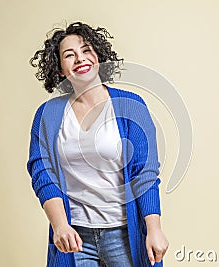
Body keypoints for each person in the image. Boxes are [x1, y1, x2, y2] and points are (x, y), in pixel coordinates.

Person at [27, 21, 168, 267]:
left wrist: (154, 228)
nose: (80, 58)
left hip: (124, 235)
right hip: (74, 238)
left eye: (86, 50)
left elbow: (144, 173)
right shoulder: (47, 114)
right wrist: (60, 225)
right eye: (69, 55)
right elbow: (42, 174)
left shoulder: (129, 105)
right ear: (60, 70)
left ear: (98, 57)